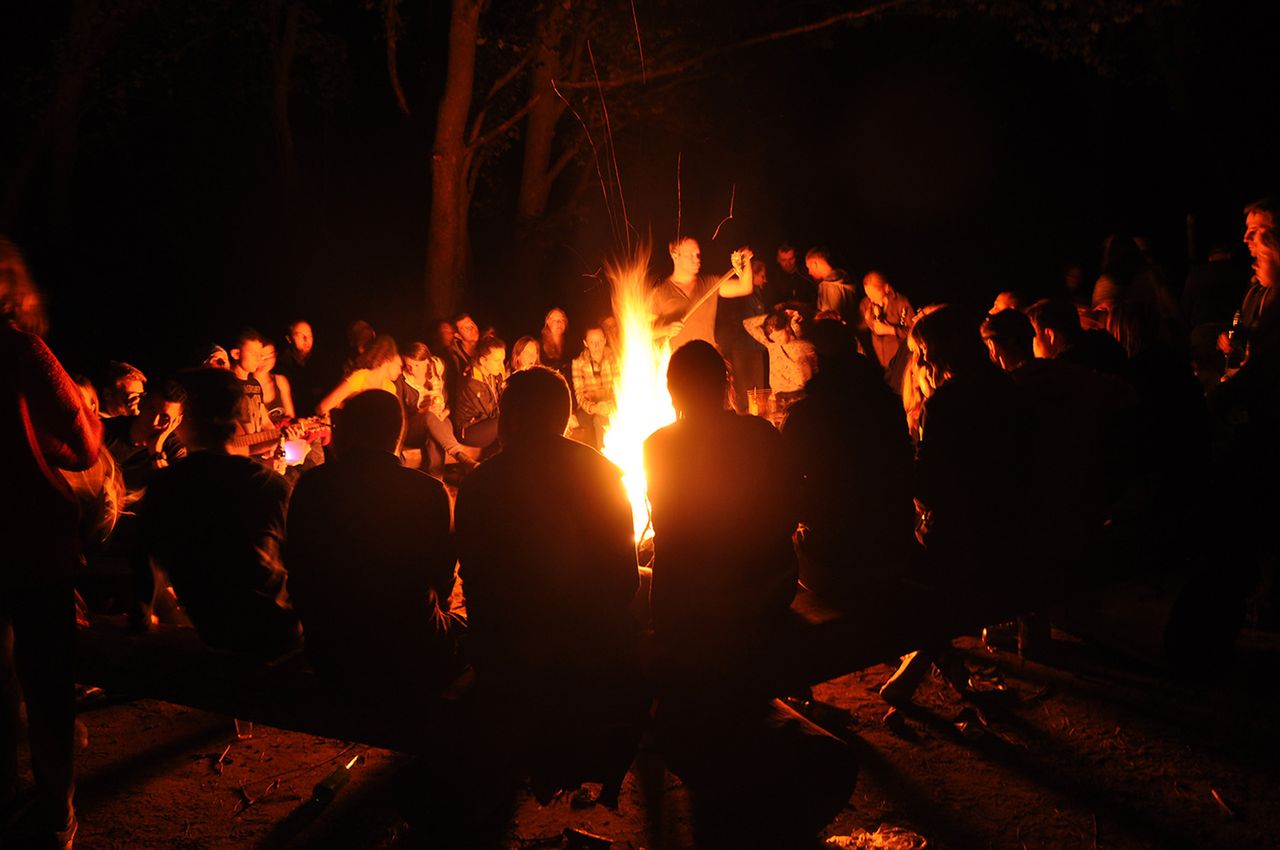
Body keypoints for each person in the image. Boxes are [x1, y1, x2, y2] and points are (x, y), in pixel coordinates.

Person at [643, 341, 856, 847]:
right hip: (762, 590)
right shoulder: (759, 433)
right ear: (726, 384)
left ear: (672, 390)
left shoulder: (656, 444)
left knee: (644, 580)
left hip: (689, 601)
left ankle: (685, 727)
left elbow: (669, 523)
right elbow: (788, 509)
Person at [455, 366, 644, 803]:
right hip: (587, 653)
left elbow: (473, 578)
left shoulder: (481, 483)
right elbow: (624, 580)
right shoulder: (603, 473)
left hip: (504, 655)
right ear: (562, 417)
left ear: (514, 418)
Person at [0, 237, 100, 849]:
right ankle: (57, 814)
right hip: (29, 539)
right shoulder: (23, 353)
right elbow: (84, 441)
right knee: (43, 678)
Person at [880, 305, 1031, 707]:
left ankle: (917, 661)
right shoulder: (1008, 389)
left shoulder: (944, 405)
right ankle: (940, 670)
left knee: (893, 564)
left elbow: (928, 488)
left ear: (934, 354)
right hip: (1013, 526)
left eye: (921, 354)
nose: (920, 363)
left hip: (964, 539)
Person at [285, 390, 463, 725]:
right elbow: (441, 580)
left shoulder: (311, 487)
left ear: (348, 433)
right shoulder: (428, 492)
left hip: (330, 651)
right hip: (409, 652)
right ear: (398, 435)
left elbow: (297, 568)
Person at [139, 368, 301, 659]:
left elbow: (145, 561)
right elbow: (300, 562)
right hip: (276, 632)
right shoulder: (271, 485)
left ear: (186, 418)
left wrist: (140, 616)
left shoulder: (166, 485)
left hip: (213, 630)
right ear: (238, 418)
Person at [781, 321, 916, 603]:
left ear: (817, 360)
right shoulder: (888, 405)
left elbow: (785, 493)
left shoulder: (806, 415)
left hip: (835, 565)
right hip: (894, 552)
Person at [648, 237, 754, 351]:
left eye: (698, 254)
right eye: (690, 255)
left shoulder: (710, 284)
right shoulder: (659, 292)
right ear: (674, 255)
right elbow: (643, 330)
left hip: (705, 358)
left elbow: (744, 287)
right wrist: (666, 329)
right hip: (677, 363)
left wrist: (746, 261)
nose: (697, 259)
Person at [101, 379, 187, 501]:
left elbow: (173, 495)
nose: (154, 421)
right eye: (151, 410)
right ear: (141, 404)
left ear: (177, 421)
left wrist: (156, 452)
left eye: (164, 417)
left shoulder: (174, 451)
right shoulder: (106, 430)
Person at [397, 341, 475, 471]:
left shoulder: (439, 370)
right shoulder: (403, 379)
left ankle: (436, 481)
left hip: (440, 420)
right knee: (429, 417)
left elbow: (453, 399)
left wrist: (443, 413)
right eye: (408, 365)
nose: (411, 370)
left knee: (435, 437)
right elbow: (400, 414)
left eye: (416, 365)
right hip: (414, 427)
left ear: (427, 361)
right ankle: (460, 455)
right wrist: (423, 411)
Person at [316, 335, 401, 416]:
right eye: (398, 365)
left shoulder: (389, 388)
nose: (400, 371)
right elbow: (323, 407)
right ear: (387, 359)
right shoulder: (360, 377)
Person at [742, 307, 817, 393]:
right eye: (773, 338)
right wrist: (775, 317)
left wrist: (786, 317)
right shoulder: (772, 345)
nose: (777, 340)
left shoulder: (805, 346)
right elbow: (747, 323)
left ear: (787, 328)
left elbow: (806, 380)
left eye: (779, 336)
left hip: (799, 398)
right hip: (776, 397)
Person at [860, 270, 914, 382]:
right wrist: (868, 320)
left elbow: (913, 333)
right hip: (879, 362)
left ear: (886, 288)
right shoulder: (866, 304)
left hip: (899, 363)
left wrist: (891, 330)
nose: (871, 298)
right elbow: (860, 330)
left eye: (874, 294)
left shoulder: (901, 303)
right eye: (868, 295)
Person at [455, 336, 505, 451]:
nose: (501, 365)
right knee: (505, 422)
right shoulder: (472, 382)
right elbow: (493, 412)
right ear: (483, 360)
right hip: (469, 429)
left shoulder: (494, 375)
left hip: (488, 423)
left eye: (502, 360)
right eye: (497, 361)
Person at [570, 327, 617, 449]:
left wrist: (611, 405)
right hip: (589, 408)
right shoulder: (578, 363)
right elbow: (579, 393)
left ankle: (604, 456)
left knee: (600, 420)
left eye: (600, 341)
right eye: (592, 342)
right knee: (574, 422)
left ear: (605, 340)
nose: (597, 346)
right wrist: (593, 407)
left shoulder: (614, 358)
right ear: (585, 343)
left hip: (612, 405)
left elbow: (619, 385)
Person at [275, 320, 323, 415]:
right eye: (300, 335)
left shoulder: (323, 360)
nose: (306, 339)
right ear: (289, 339)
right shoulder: (280, 365)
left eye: (309, 335)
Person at [254, 340, 295, 421]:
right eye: (261, 356)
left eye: (270, 356)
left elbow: (290, 416)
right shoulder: (246, 385)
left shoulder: (280, 381)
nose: (266, 361)